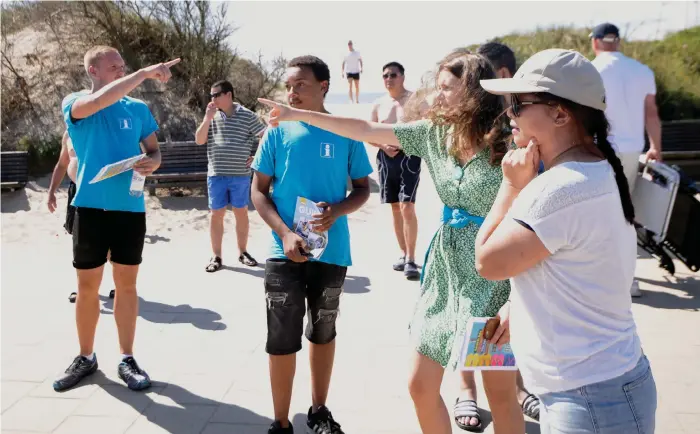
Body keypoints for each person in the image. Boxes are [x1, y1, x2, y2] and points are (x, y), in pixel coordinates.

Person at [259, 51, 524, 434]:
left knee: (499, 394)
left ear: (473, 93)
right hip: (446, 276)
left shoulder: (507, 142)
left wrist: (518, 298)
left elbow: (530, 219)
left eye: (447, 88)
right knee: (420, 386)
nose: (437, 95)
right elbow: (364, 130)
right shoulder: (434, 134)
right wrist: (297, 115)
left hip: (493, 275)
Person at [476, 48, 657, 433]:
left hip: (588, 397)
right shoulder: (596, 169)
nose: (509, 113)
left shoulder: (559, 188)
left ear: (560, 113)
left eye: (519, 103)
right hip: (611, 382)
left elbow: (487, 262)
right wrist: (518, 306)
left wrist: (510, 186)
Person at [251, 55, 373, 434]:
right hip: (282, 253)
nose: (291, 92)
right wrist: (285, 234)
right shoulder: (276, 132)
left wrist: (336, 211)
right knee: (281, 338)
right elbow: (257, 191)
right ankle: (281, 421)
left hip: (331, 252)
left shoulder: (345, 131)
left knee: (323, 330)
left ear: (323, 87)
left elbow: (363, 189)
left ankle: (319, 411)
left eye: (300, 85)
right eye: (288, 86)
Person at [53, 45, 179, 392]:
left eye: (124, 66)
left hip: (130, 210)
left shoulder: (137, 108)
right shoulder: (74, 102)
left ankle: (127, 357)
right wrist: (142, 74)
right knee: (87, 289)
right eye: (114, 66)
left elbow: (154, 153)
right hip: (90, 210)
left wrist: (152, 162)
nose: (122, 70)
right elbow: (96, 103)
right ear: (93, 71)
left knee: (126, 287)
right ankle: (86, 356)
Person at [451, 42, 540, 432]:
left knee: (499, 327)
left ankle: (515, 389)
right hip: (465, 240)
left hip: (506, 241)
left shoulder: (517, 124)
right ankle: (465, 390)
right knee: (463, 320)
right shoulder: (461, 127)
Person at [590, 22, 662, 297]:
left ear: (596, 42)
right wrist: (656, 147)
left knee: (600, 214)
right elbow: (652, 113)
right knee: (625, 215)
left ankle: (605, 280)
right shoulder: (642, 71)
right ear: (617, 42)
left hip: (601, 149)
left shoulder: (592, 70)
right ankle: (628, 279)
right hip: (632, 150)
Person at [195, 80, 266, 272]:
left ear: (228, 95)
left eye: (216, 95)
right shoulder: (211, 116)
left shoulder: (247, 115)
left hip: (240, 175)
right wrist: (207, 119)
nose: (213, 99)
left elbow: (266, 135)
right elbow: (199, 140)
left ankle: (243, 252)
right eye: (211, 95)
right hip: (216, 174)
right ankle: (216, 256)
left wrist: (257, 157)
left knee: (240, 212)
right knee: (216, 214)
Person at [370, 61, 421, 279]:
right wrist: (383, 146)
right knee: (394, 208)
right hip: (385, 158)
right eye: (385, 76)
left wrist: (403, 145)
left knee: (407, 206)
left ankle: (411, 258)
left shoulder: (413, 101)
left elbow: (423, 129)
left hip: (409, 157)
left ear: (402, 76)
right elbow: (368, 133)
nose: (389, 79)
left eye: (393, 75)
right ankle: (402, 253)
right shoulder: (379, 104)